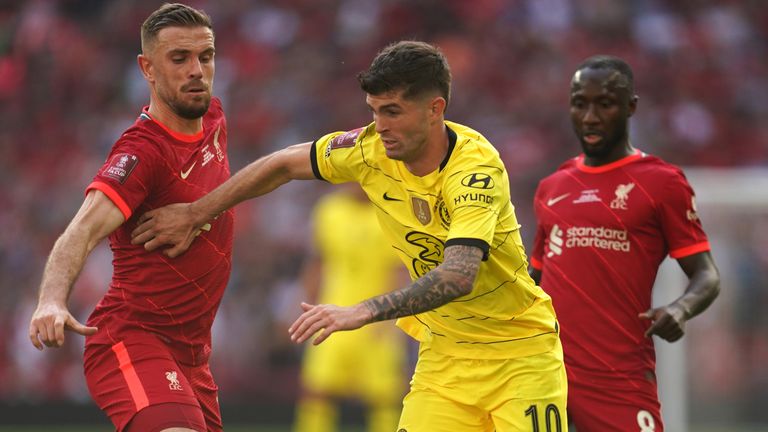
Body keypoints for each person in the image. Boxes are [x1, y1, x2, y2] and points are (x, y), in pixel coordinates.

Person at [131, 40, 568, 431]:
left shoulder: (474, 170)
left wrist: (362, 311)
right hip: (445, 361)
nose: (379, 126)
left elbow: (458, 275)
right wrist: (196, 212)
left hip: (519, 355)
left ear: (435, 109)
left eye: (392, 111)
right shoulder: (370, 149)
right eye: (374, 110)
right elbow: (283, 163)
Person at [28, 4, 231, 432]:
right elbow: (82, 229)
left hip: (194, 357)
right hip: (133, 337)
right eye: (179, 59)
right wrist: (51, 299)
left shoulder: (212, 117)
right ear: (148, 69)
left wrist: (197, 213)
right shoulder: (142, 152)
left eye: (205, 56)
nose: (197, 70)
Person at [529, 55, 721, 432]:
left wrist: (681, 308)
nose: (590, 117)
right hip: (544, 378)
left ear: (631, 106)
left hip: (618, 382)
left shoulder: (661, 183)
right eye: (580, 103)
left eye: (605, 103)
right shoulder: (552, 187)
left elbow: (707, 275)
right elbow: (532, 282)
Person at [292, 183, 407, 432]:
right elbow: (318, 262)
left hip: (378, 318)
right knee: (317, 391)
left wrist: (392, 320)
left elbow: (398, 270)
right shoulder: (329, 210)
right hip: (331, 313)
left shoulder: (392, 211)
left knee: (384, 396)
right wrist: (303, 311)